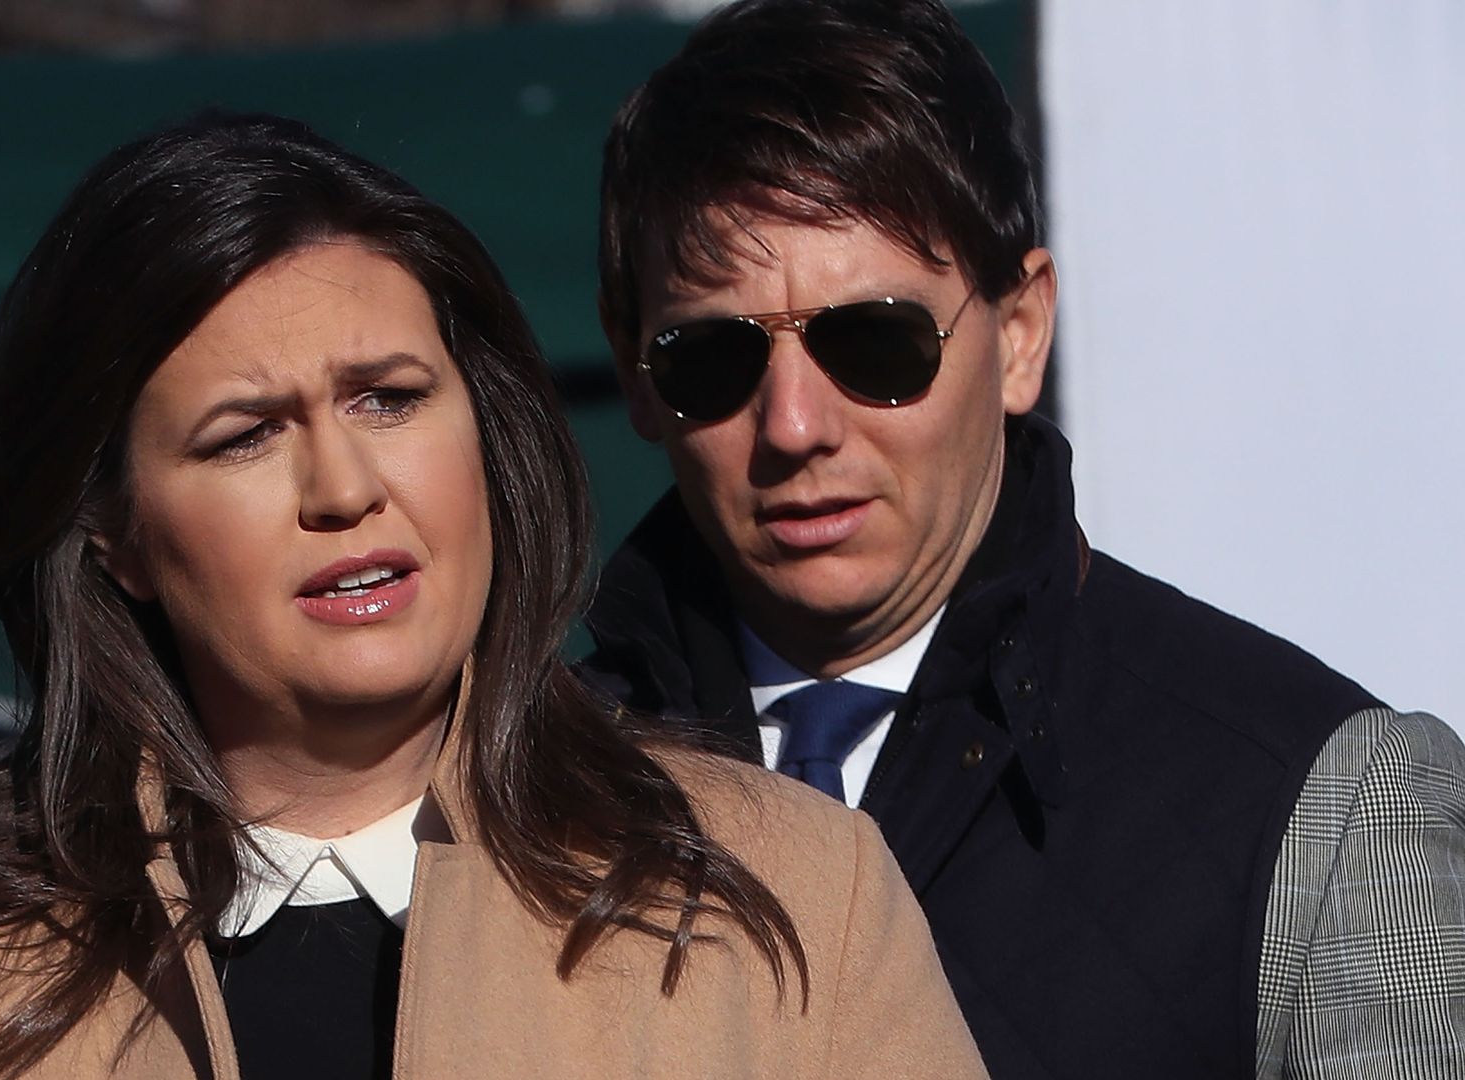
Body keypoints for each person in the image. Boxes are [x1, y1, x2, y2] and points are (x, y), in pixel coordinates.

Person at [0, 112, 986, 1079]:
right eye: (243, 435)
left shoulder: (787, 902)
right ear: (114, 531)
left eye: (387, 397)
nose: (343, 485)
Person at [582, 1, 1465, 1078]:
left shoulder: (1321, 810)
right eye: (712, 359)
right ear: (633, 375)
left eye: (878, 342)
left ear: (1021, 336)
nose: (796, 427)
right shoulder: (510, 794)